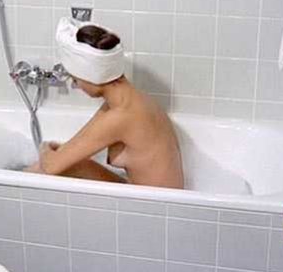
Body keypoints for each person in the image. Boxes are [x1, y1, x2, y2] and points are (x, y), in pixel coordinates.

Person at [25, 17, 183, 189]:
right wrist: (59, 153)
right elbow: (78, 144)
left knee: (44, 170)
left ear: (91, 76)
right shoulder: (131, 100)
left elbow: (51, 167)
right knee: (73, 166)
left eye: (76, 79)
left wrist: (44, 148)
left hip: (154, 204)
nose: (75, 85)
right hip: (149, 194)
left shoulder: (121, 116)